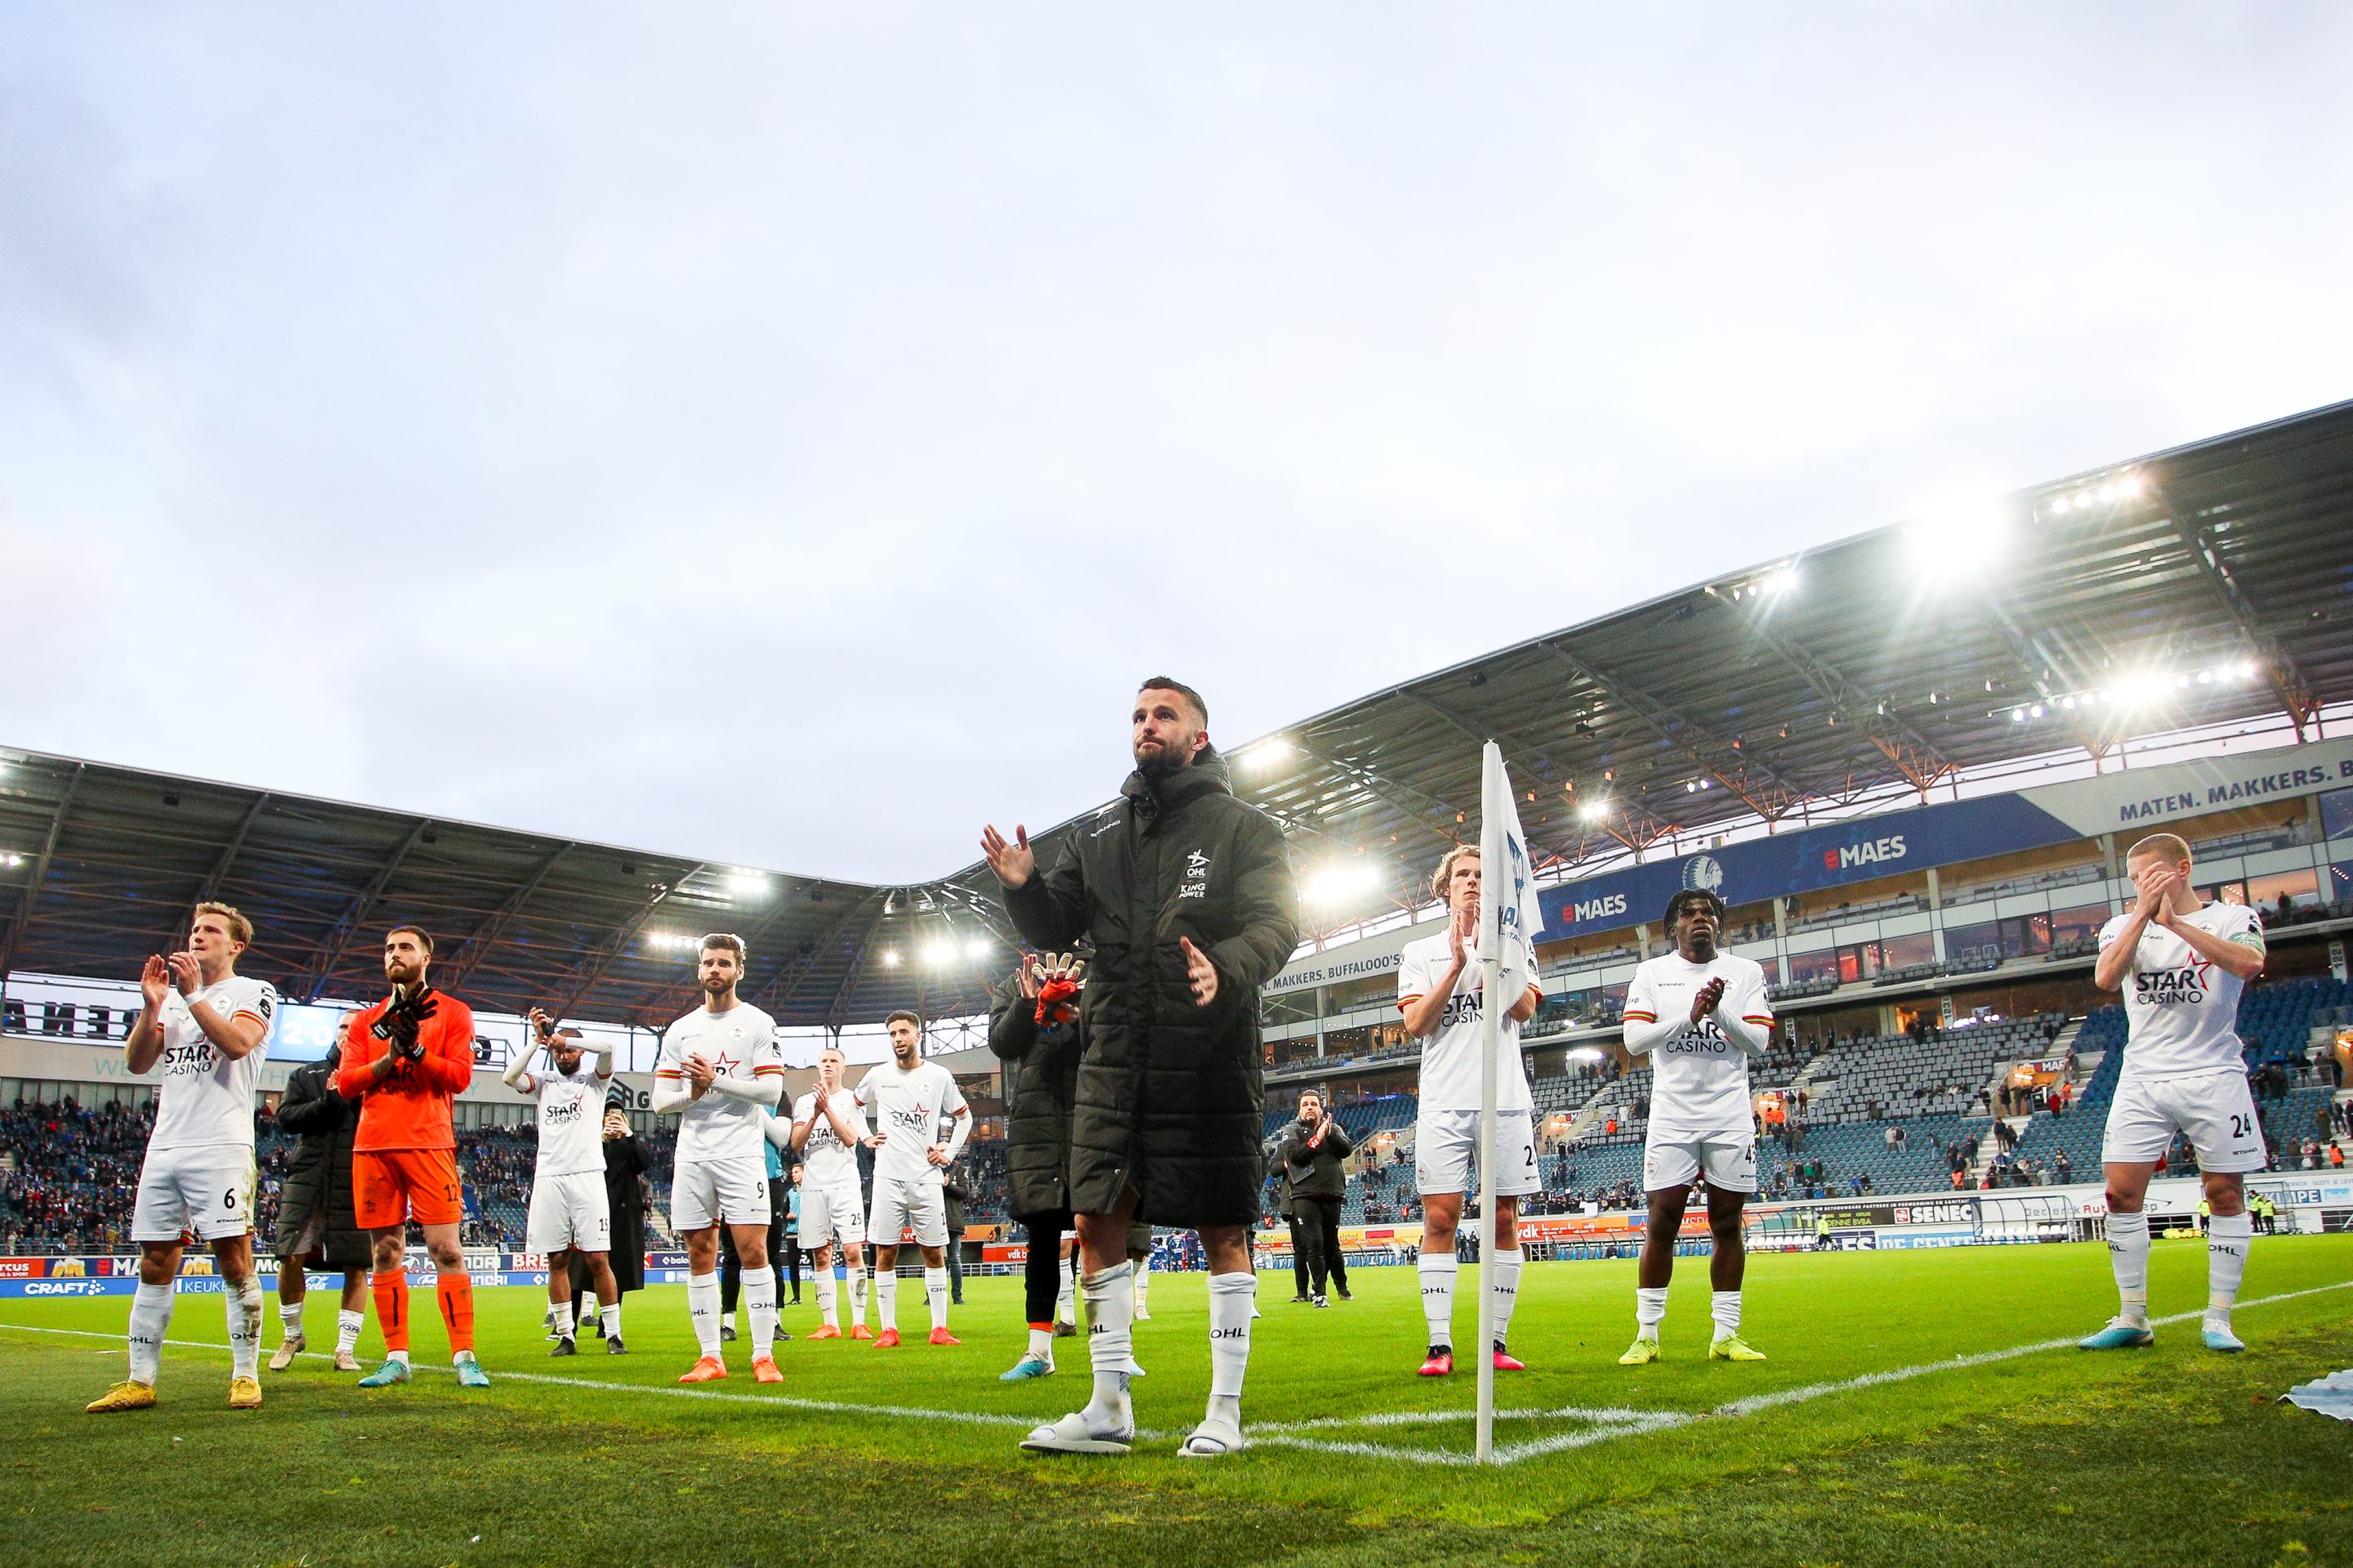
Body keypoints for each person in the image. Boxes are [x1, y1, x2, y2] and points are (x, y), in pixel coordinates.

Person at [984, 676, 1299, 1457]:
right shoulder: (1099, 836)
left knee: (1224, 1226)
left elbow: (1278, 922)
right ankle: (1107, 1405)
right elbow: (1058, 920)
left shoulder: (1244, 829)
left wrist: (1223, 966)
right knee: (1095, 1218)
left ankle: (1224, 1411)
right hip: (1113, 1060)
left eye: (1164, 714)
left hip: (1207, 1059)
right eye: (1137, 715)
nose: (1145, 725)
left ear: (1197, 735)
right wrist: (1024, 889)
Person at [2079, 833, 2267, 1354]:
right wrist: (2143, 915)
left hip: (2213, 1072)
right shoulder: (2121, 926)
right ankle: (2133, 1317)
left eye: (2154, 874)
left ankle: (2219, 1318)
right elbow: (2104, 977)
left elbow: (2249, 964)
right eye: (2137, 878)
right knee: (2119, 1194)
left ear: (2183, 868)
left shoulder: (2233, 917)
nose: (2144, 884)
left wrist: (2176, 925)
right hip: (2142, 1076)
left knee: (2224, 1194)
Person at [87, 903, 279, 1414]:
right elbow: (137, 1064)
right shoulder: (170, 1002)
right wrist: (153, 1007)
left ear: (235, 945)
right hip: (166, 1145)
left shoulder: (253, 991)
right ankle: (140, 1380)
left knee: (234, 1260)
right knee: (154, 1261)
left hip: (222, 1143)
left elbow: (238, 1044)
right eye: (195, 930)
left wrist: (192, 995)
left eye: (211, 931)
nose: (198, 937)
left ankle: (244, 1375)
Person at [1396, 845, 1542, 1378]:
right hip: (1443, 1101)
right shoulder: (1420, 951)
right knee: (1440, 1218)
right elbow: (1417, 1024)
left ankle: (1498, 1340)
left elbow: (1525, 1008)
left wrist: (1491, 956)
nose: (1473, 882)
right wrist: (1457, 965)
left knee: (1503, 1217)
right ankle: (1440, 1345)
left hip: (1504, 1100)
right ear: (1445, 886)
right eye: (1463, 874)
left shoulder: (1514, 944)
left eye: (1482, 875)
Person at [1617, 889, 1774, 1365]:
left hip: (1728, 1114)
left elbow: (1760, 1042)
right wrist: (1689, 1016)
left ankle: (1726, 1335)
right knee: (1661, 1223)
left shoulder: (1746, 972)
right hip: (1672, 1114)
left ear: (1720, 926)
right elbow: (1634, 1039)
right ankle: (1647, 1335)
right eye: (1689, 914)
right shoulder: (1652, 973)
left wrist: (1719, 1010)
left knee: (1728, 1224)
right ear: (1672, 928)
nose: (1700, 919)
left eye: (1709, 913)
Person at [335, 926, 489, 1389]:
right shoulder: (366, 1021)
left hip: (429, 1143)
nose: (394, 954)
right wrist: (392, 1055)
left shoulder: (454, 1012)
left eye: (404, 947)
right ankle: (395, 1357)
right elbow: (346, 1083)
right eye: (388, 948)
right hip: (374, 1145)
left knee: (446, 1249)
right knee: (385, 1251)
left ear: (427, 956)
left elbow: (459, 1077)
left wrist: (418, 1050)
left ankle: (465, 1356)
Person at [652, 933, 785, 1383]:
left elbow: (771, 1091)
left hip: (742, 1152)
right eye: (708, 963)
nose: (715, 970)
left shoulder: (758, 1023)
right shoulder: (681, 1029)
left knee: (752, 1251)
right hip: (693, 1154)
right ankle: (711, 1356)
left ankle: (763, 1355)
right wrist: (692, 1093)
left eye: (723, 963)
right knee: (699, 1251)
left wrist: (716, 1082)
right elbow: (658, 1102)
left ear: (739, 970)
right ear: (699, 971)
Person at [853, 1010, 972, 1347]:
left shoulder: (939, 1076)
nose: (897, 1039)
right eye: (892, 1034)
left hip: (926, 1178)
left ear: (917, 1036)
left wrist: (948, 1153)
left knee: (935, 1253)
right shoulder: (878, 1075)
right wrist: (865, 1136)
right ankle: (889, 1329)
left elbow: (965, 1117)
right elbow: (854, 1105)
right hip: (888, 1177)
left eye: (903, 1032)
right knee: (885, 1254)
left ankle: (939, 1328)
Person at [504, 1012, 620, 1355]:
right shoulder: (544, 1082)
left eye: (569, 1051)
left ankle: (614, 1333)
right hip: (550, 1176)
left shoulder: (594, 1082)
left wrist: (565, 1039)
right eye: (559, 1053)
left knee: (598, 1258)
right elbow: (510, 1077)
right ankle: (566, 1334)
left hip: (587, 1175)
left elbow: (609, 1048)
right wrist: (537, 1041)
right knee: (556, 1260)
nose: (563, 1057)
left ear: (578, 1052)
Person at [268, 1035, 370, 1373]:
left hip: (355, 1177)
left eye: (354, 1027)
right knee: (291, 1254)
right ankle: (292, 1335)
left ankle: (345, 1349)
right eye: (343, 1026)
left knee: (356, 1264)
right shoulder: (306, 1074)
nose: (348, 1032)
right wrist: (327, 1101)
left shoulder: (374, 1076)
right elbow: (285, 1118)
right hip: (307, 1175)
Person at [788, 1046, 873, 1339]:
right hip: (813, 1185)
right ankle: (830, 1323)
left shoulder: (851, 1100)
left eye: (834, 1061)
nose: (828, 1065)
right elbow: (796, 1144)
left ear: (843, 1067)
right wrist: (814, 1112)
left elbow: (851, 1139)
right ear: (818, 1066)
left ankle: (859, 1321)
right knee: (820, 1255)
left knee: (852, 1251)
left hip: (845, 1184)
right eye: (823, 1060)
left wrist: (828, 1109)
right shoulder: (802, 1102)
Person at [566, 1099, 649, 1350]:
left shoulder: (630, 1144)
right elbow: (580, 1164)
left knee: (618, 1271)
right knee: (577, 1272)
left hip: (622, 1216)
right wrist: (601, 1140)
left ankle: (608, 1326)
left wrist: (630, 1135)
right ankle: (569, 1326)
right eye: (609, 1114)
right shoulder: (591, 1142)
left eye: (619, 1115)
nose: (614, 1119)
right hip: (590, 1211)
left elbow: (645, 1163)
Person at [1276, 1091, 1353, 1308]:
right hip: (1305, 1194)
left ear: (1321, 1108)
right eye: (1305, 1104)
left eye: (1314, 1104)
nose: (1310, 1108)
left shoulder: (1334, 1129)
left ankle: (1321, 1287)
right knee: (1314, 1245)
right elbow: (1295, 1156)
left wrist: (1328, 1134)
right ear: (1299, 1110)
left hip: (1332, 1192)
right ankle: (1320, 1293)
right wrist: (1316, 1139)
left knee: (1331, 1246)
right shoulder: (1291, 1130)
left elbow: (1346, 1150)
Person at [941, 1157, 972, 1307]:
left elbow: (964, 1193)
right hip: (936, 1221)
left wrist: (947, 1187)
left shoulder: (960, 1171)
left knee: (955, 1259)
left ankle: (957, 1296)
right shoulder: (930, 1169)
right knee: (936, 1260)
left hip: (953, 1222)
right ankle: (933, 1296)